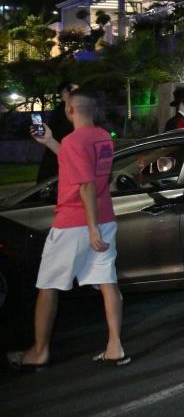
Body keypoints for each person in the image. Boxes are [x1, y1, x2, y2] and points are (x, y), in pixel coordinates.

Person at [7, 91, 129, 370]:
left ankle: (39, 352)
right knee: (107, 282)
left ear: (71, 110)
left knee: (48, 285)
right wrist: (50, 142)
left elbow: (84, 183)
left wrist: (91, 228)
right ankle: (115, 346)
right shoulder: (102, 137)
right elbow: (79, 165)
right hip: (104, 217)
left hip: (75, 221)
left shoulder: (75, 141)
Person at [36, 82, 77, 184]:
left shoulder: (62, 113)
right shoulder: (63, 116)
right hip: (57, 167)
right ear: (65, 95)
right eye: (76, 91)